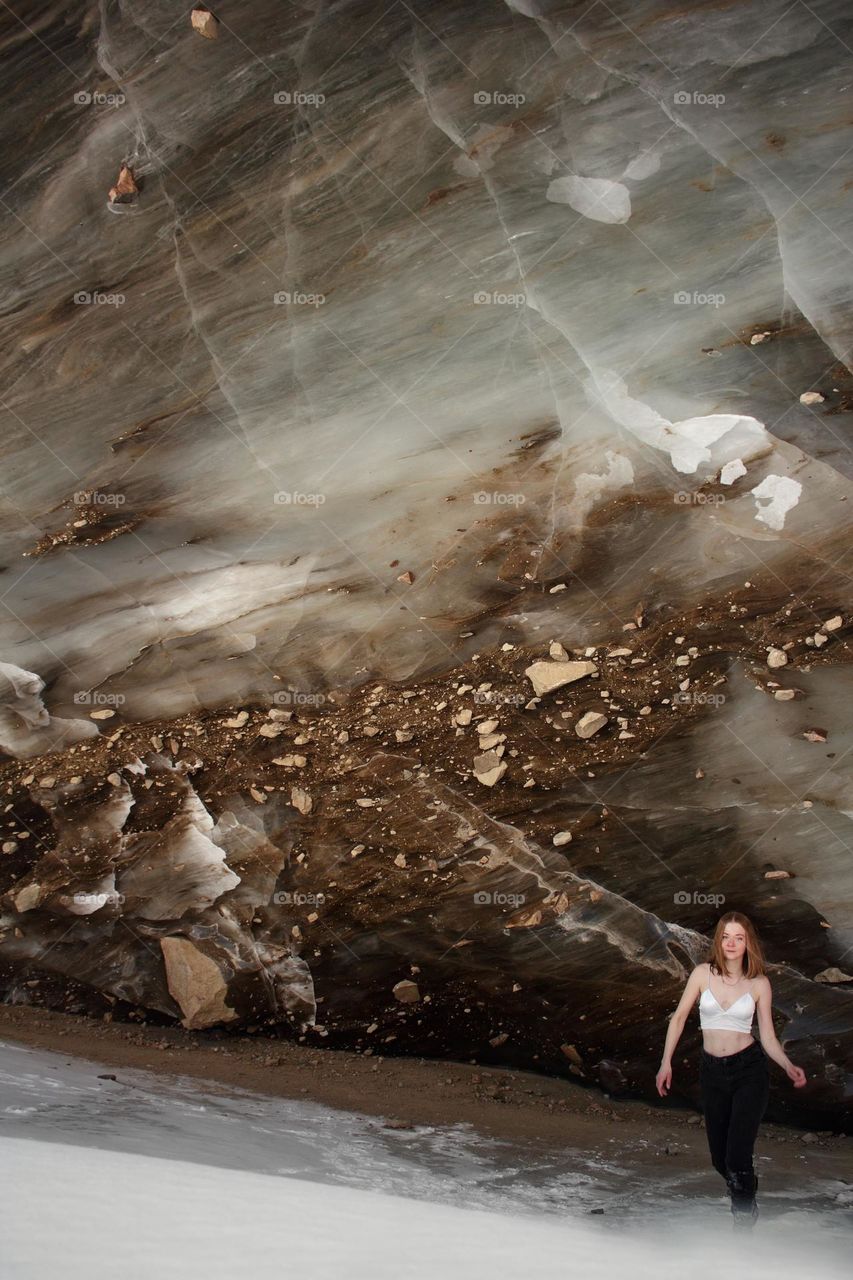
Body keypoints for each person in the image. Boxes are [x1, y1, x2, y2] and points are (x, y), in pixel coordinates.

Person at [655, 911, 807, 1226]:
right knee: (719, 1159)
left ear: (748, 942)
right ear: (719, 941)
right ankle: (745, 1187)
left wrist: (788, 1065)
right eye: (726, 937)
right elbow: (680, 1018)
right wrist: (665, 1062)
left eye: (739, 937)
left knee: (738, 1156)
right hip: (712, 1073)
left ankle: (743, 1223)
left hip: (749, 1071)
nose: (732, 943)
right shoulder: (702, 974)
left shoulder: (759, 984)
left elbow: (766, 1035)